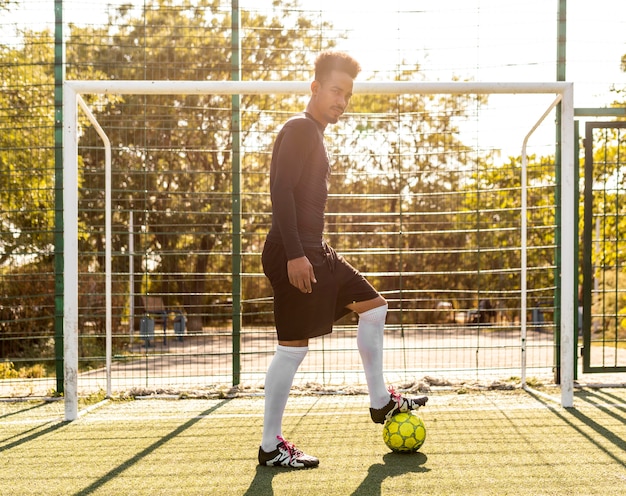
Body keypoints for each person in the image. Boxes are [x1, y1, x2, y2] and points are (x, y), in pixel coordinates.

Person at [258, 51, 428, 469]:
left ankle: (380, 402)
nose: (342, 101)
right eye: (336, 91)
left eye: (348, 95)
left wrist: (309, 250)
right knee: (292, 349)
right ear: (315, 88)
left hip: (316, 250)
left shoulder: (313, 133)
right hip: (294, 252)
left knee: (374, 307)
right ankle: (270, 447)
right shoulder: (299, 129)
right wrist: (296, 255)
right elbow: (280, 191)